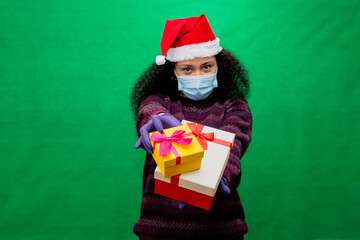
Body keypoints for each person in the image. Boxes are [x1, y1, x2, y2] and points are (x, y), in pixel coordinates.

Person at [131, 14, 253, 240]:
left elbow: (234, 144)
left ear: (219, 67)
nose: (199, 75)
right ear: (173, 71)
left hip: (220, 228)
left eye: (207, 66)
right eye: (187, 69)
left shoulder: (234, 107)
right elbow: (149, 108)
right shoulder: (160, 100)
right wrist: (155, 117)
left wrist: (220, 177)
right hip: (159, 229)